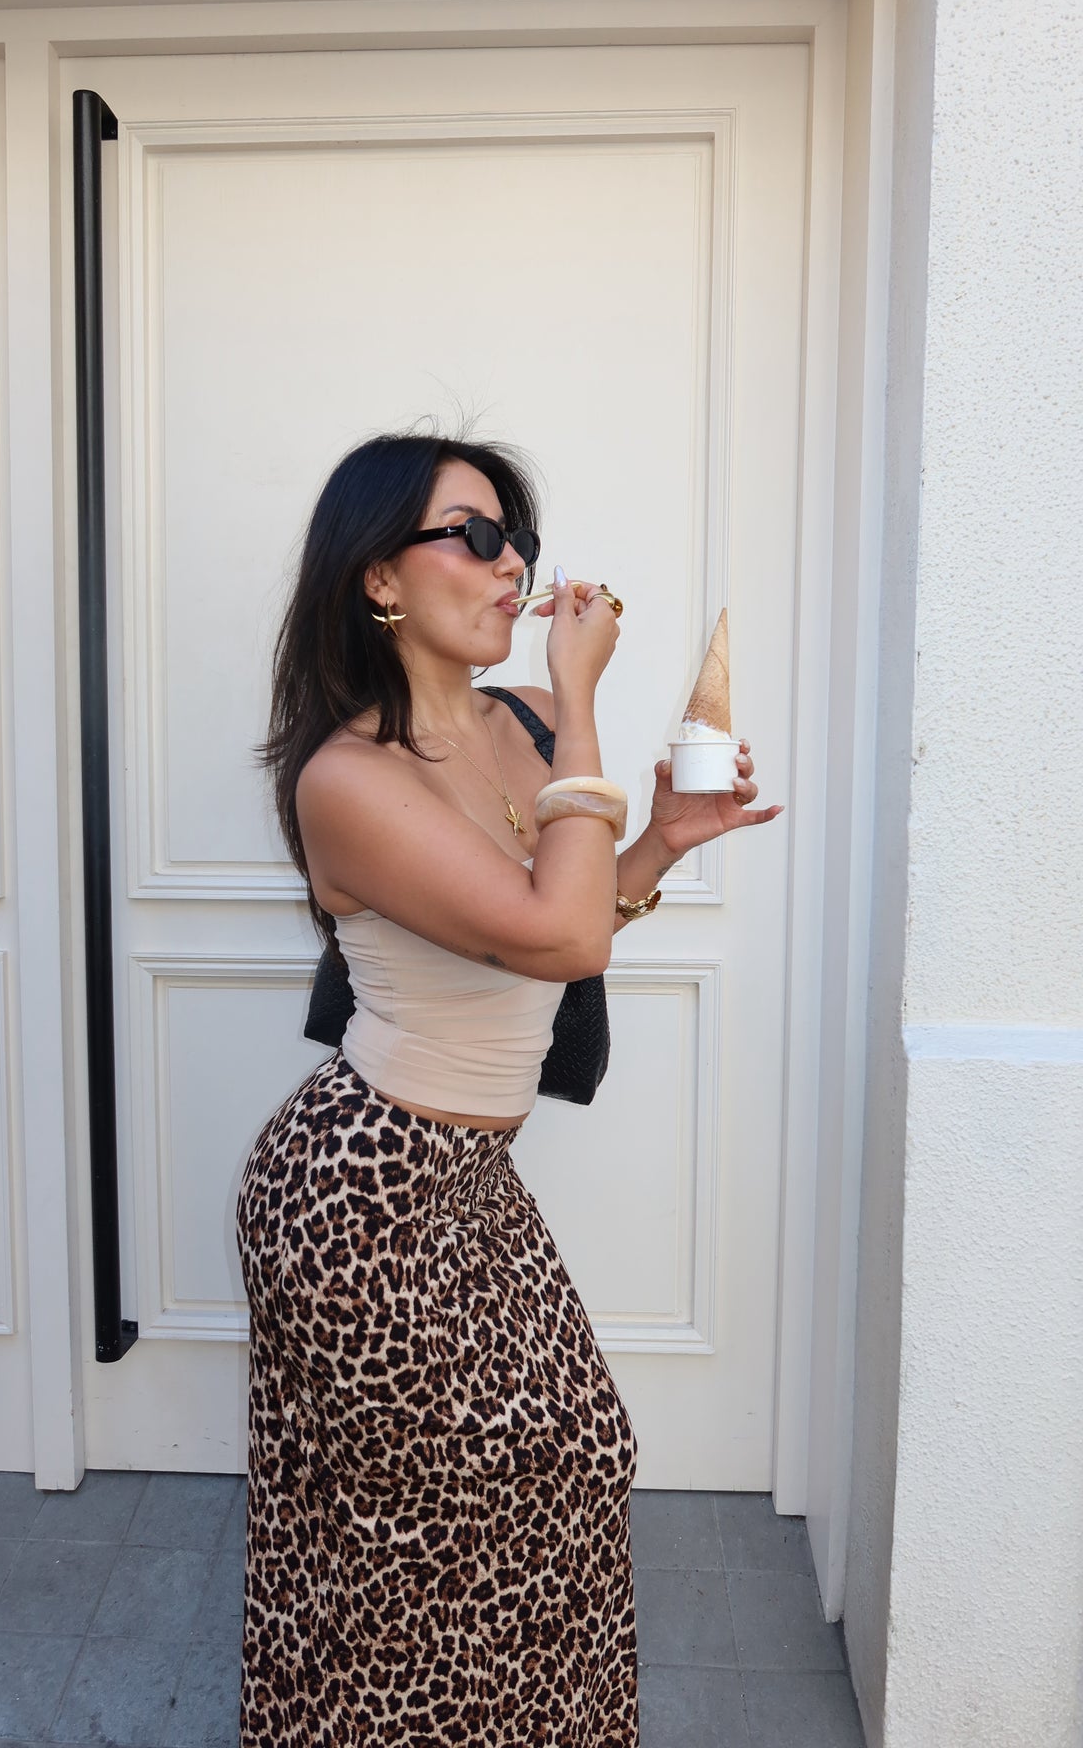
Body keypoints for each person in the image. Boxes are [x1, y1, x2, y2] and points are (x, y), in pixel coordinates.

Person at [235, 431, 782, 1747]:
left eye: (516, 540)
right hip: (358, 1195)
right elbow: (558, 935)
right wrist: (585, 699)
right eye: (474, 536)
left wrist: (662, 839)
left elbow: (568, 921)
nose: (511, 565)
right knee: (411, 1551)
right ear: (379, 576)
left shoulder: (523, 725)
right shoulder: (348, 780)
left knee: (578, 1449)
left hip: (473, 1178)